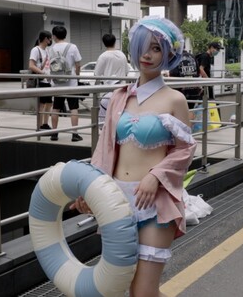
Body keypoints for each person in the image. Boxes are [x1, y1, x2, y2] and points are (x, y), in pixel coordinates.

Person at [72, 16, 196, 297]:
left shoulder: (174, 99)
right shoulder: (118, 97)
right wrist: (91, 191)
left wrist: (156, 176)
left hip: (155, 202)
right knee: (126, 289)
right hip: (117, 202)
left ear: (168, 53)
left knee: (142, 293)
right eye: (142, 47)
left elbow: (186, 149)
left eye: (155, 48)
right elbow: (103, 150)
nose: (146, 55)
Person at [48, 25, 83, 142]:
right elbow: (78, 64)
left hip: (57, 83)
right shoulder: (72, 47)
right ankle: (74, 134)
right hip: (71, 83)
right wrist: (77, 75)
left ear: (54, 36)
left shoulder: (51, 49)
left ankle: (54, 133)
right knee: (74, 108)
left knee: (56, 108)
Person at [28, 30, 53, 132]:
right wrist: (42, 73)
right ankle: (39, 126)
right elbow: (31, 65)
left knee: (49, 103)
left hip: (47, 81)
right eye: (50, 38)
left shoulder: (47, 50)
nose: (51, 40)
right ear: (46, 39)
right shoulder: (35, 50)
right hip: (41, 80)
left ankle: (45, 124)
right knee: (41, 104)